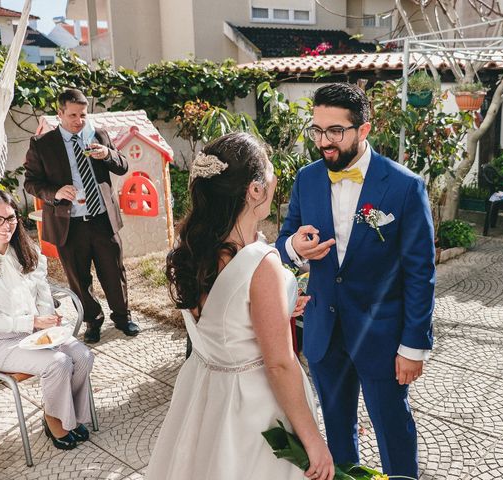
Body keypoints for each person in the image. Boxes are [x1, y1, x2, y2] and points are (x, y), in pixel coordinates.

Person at [146, 133, 334, 480]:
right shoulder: (261, 265)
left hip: (203, 392)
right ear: (255, 190)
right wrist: (314, 441)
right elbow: (279, 364)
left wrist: (278, 307)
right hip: (250, 405)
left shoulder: (192, 248)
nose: (275, 178)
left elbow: (226, 317)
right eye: (270, 171)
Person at [275, 83, 435, 477]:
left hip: (382, 335)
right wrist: (295, 247)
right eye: (317, 130)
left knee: (393, 429)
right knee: (337, 430)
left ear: (364, 130)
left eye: (335, 131)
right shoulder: (306, 180)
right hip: (324, 332)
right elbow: (281, 244)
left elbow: (421, 272)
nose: (323, 142)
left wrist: (414, 345)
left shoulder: (404, 186)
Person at [0, 189, 94, 450]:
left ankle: (63, 413)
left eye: (11, 218)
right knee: (58, 363)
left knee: (83, 356)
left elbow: (43, 295)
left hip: (37, 332)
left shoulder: (31, 252)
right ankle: (55, 419)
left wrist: (48, 318)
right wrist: (32, 323)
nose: (6, 226)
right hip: (0, 343)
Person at [24, 88, 140, 344]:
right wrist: (55, 192)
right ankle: (92, 321)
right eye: (73, 115)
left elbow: (122, 166)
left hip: (101, 220)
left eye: (83, 115)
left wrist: (108, 154)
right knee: (79, 277)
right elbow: (31, 183)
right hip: (70, 225)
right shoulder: (42, 145)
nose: (79, 121)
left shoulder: (98, 135)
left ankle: (122, 317)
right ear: (60, 113)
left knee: (113, 272)